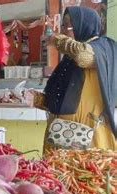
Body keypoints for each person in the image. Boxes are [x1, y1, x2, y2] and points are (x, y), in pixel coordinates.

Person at [28, 6, 116, 152]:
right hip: (60, 138)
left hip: (88, 141)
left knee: (82, 174)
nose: (63, 30)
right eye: (63, 25)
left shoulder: (103, 48)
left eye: (67, 25)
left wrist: (56, 39)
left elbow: (83, 57)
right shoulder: (69, 59)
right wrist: (36, 99)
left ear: (84, 25)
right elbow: (60, 100)